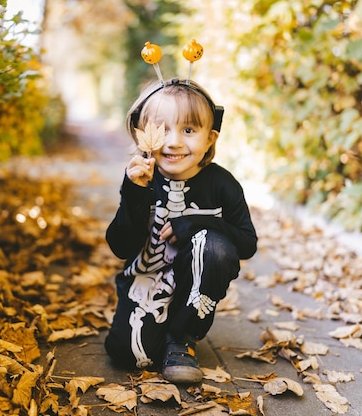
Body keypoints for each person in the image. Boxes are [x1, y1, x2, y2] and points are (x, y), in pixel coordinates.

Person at [104, 78, 258, 383]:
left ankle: (184, 337)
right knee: (128, 354)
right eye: (162, 130)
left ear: (210, 138)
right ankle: (164, 334)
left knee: (212, 243)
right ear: (143, 135)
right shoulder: (141, 180)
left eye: (188, 130)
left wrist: (198, 222)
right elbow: (121, 246)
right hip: (147, 281)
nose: (173, 142)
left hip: (200, 277)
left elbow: (247, 244)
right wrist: (135, 195)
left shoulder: (222, 184)